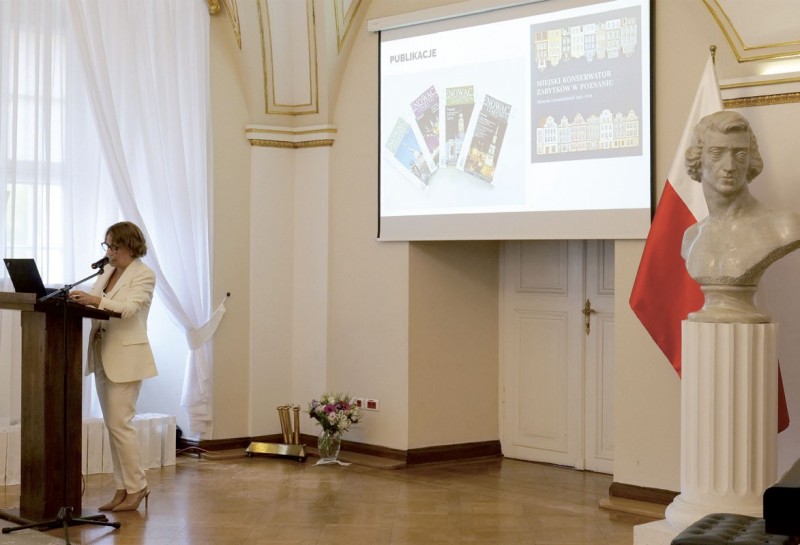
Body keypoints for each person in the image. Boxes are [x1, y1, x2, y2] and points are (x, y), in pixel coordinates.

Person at [69, 221, 157, 512]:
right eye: (106, 245)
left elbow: (129, 309)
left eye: (114, 246)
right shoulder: (107, 271)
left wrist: (95, 299)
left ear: (130, 245)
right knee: (112, 426)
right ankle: (123, 488)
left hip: (127, 357)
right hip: (102, 352)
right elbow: (96, 304)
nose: (109, 251)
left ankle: (139, 486)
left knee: (121, 424)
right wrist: (79, 300)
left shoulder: (144, 275)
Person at [680, 110, 800, 320]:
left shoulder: (784, 227)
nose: (730, 166)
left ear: (750, 159)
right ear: (698, 159)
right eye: (717, 153)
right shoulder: (691, 238)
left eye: (740, 154)